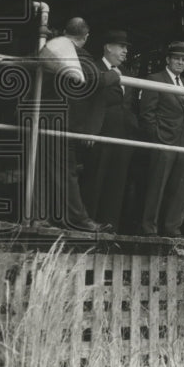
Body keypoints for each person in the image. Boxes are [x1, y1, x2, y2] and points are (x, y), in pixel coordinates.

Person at [34, 17, 119, 233]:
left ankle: (44, 218)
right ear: (86, 36)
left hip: (44, 117)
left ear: (65, 31)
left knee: (45, 168)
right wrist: (113, 75)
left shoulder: (54, 48)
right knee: (66, 171)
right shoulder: (78, 54)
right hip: (61, 121)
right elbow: (92, 79)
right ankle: (78, 220)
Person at [140, 41, 184, 237]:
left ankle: (172, 227)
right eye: (177, 58)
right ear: (168, 59)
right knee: (157, 185)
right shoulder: (155, 78)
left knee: (182, 188)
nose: (180, 62)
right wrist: (157, 137)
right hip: (164, 139)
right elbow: (147, 114)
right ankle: (150, 227)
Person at [82, 29, 139, 231]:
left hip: (123, 136)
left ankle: (110, 226)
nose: (125, 51)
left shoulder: (128, 74)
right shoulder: (93, 68)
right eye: (121, 47)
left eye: (126, 48)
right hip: (101, 133)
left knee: (117, 182)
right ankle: (89, 224)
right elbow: (87, 102)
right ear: (108, 47)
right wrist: (90, 130)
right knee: (95, 178)